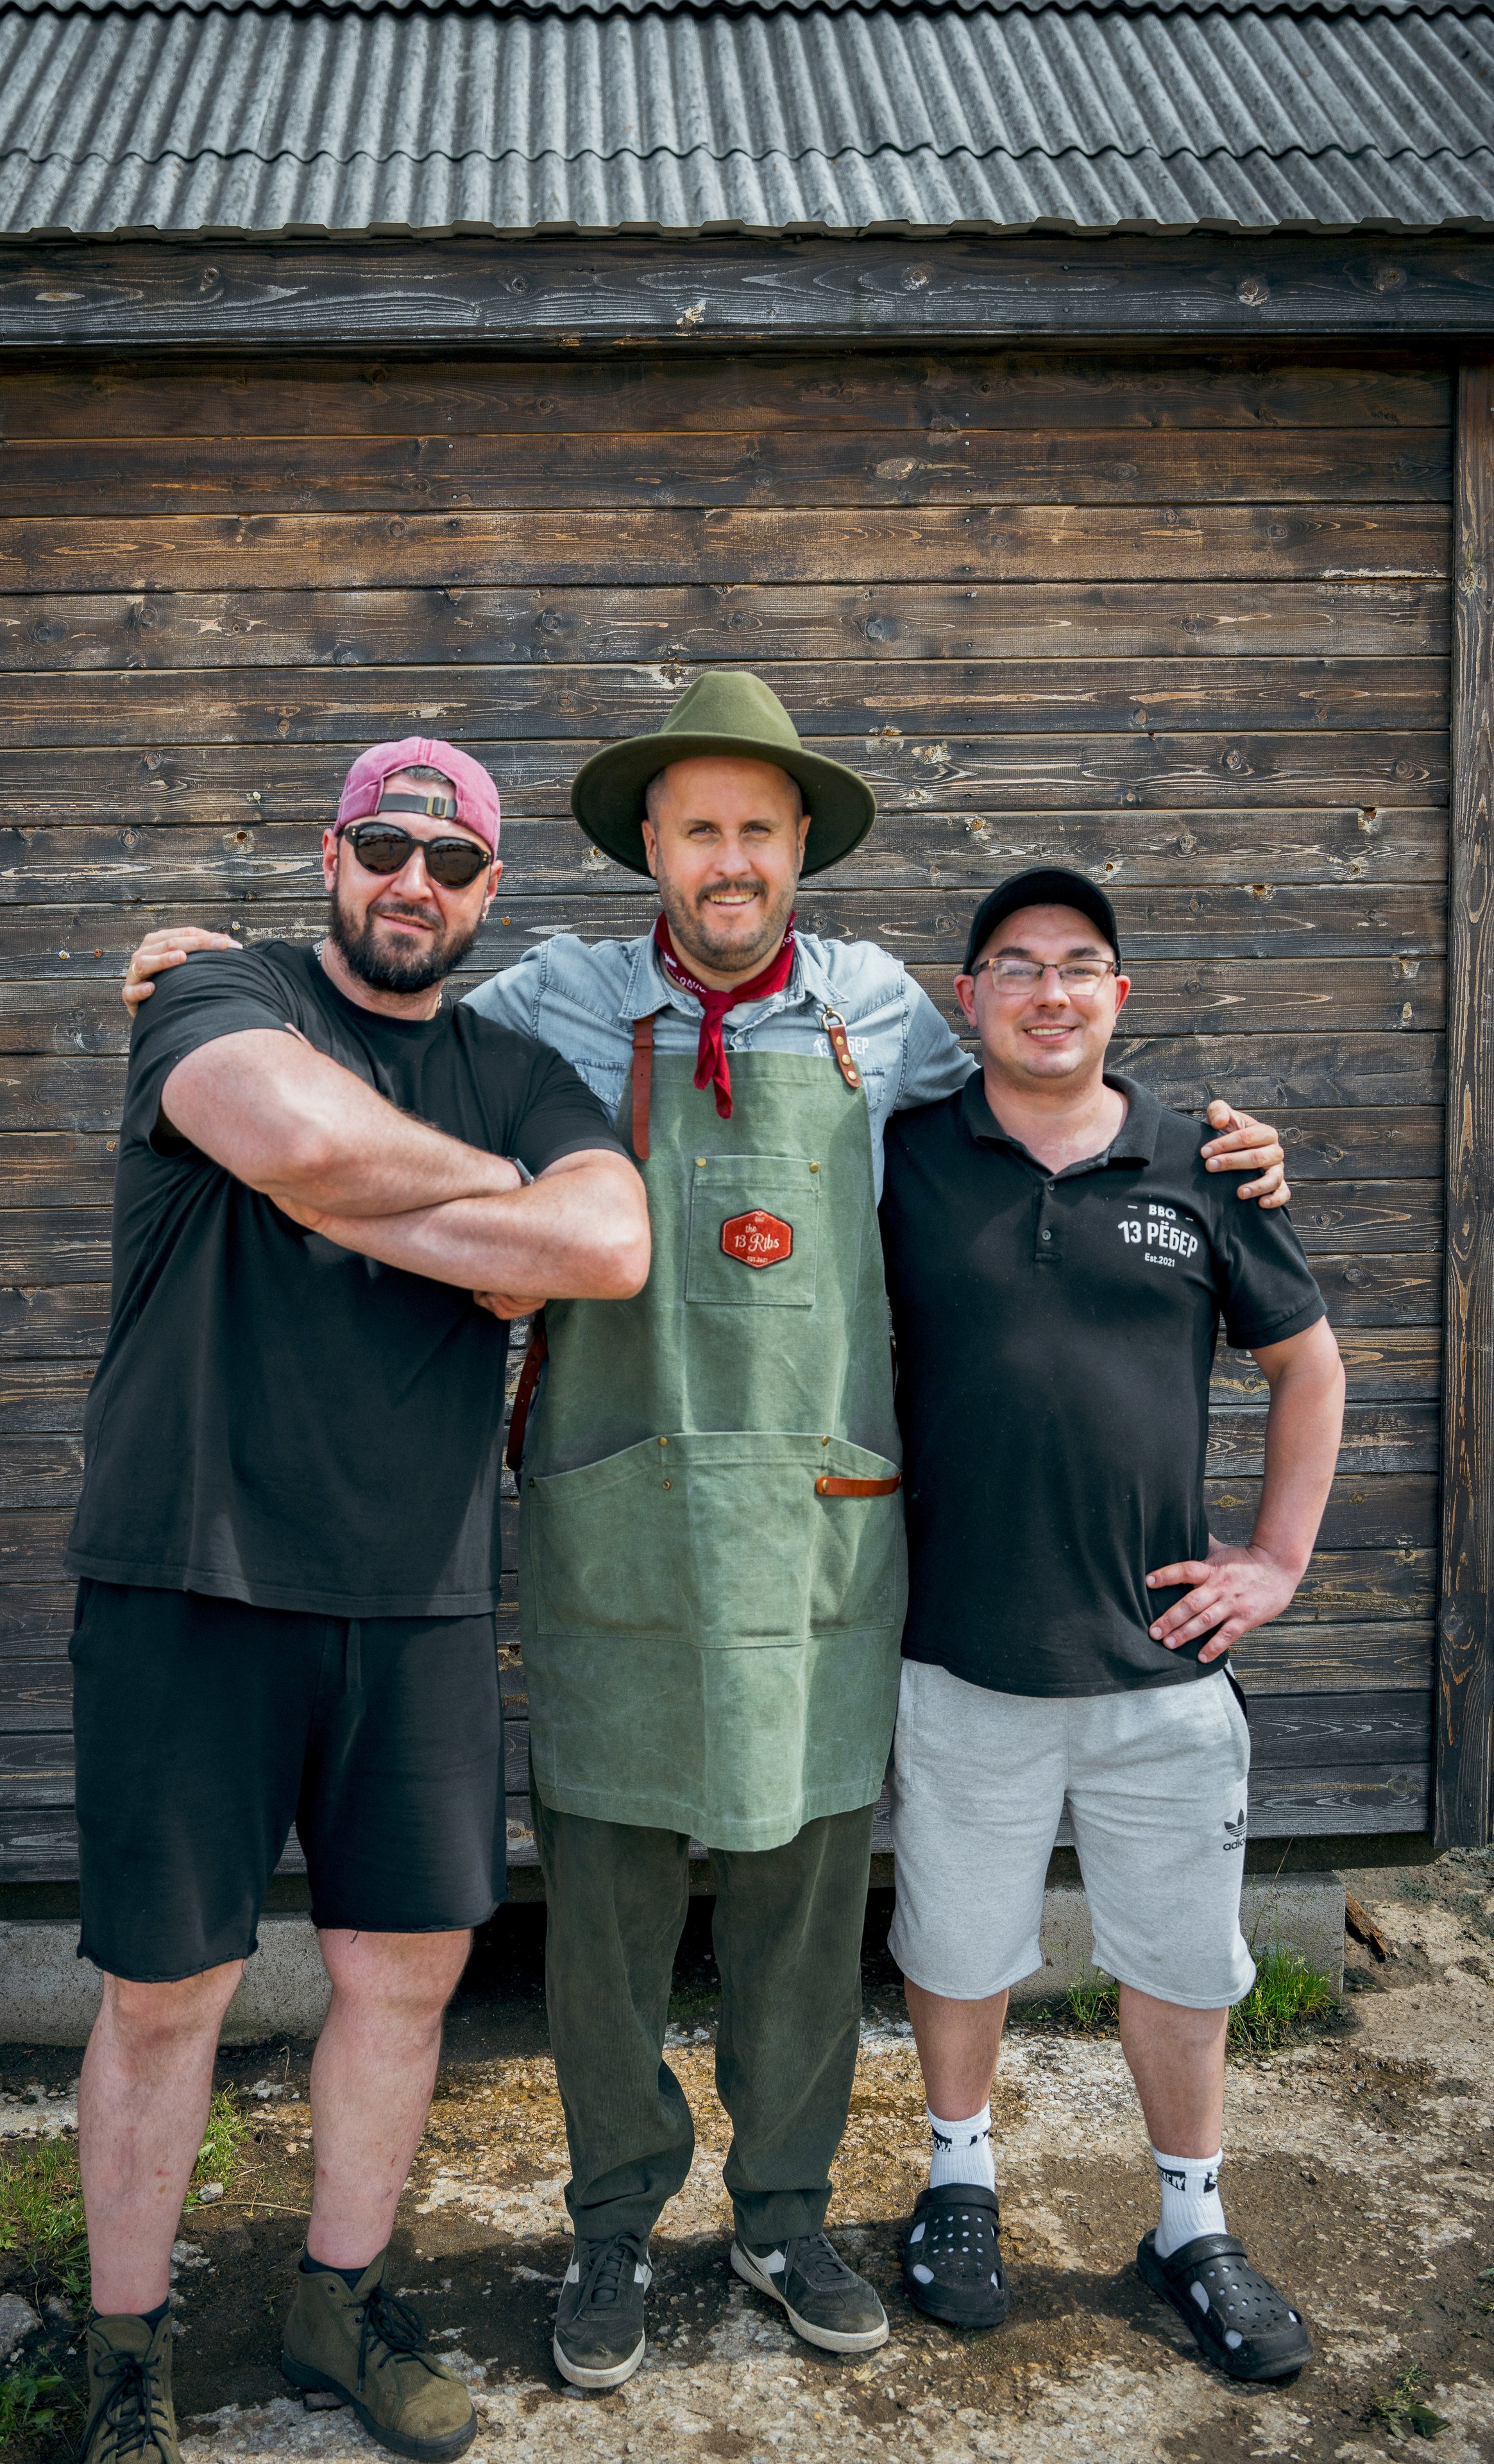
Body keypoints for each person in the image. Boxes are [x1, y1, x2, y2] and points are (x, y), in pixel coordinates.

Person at [121, 675, 1291, 2395]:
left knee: (807, 1916)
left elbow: (1055, 1077)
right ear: (648, 847)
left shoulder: (889, 1009)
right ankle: (612, 2227)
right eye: (699, 830)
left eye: (759, 828)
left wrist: (1201, 1142)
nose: (729, 861)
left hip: (824, 1540)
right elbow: (382, 1003)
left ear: (798, 843)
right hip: (622, 1528)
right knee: (601, 1924)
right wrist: (210, 965)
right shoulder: (554, 1000)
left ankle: (784, 2210)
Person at [68, 737, 649, 2464]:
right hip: (191, 1572)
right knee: (166, 1991)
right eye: (382, 845)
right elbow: (293, 1138)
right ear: (332, 854)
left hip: (418, 1603)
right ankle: (121, 2346)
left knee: (405, 1978)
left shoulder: (519, 1063)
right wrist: (493, 1224)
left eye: (450, 861)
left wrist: (401, 1196)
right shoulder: (214, 992)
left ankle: (339, 2299)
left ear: (491, 893)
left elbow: (612, 1247)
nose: (413, 880)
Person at [878, 864, 1345, 2384]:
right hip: (960, 1650)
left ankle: (1188, 2223)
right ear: (969, 1000)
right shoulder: (903, 1157)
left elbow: (1308, 1370)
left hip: (1161, 1662)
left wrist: (1272, 1564)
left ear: (1117, 997)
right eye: (1013, 966)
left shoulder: (1203, 1163)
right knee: (955, 1943)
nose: (1047, 991)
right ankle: (957, 2183)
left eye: (1079, 965)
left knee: (1184, 1960)